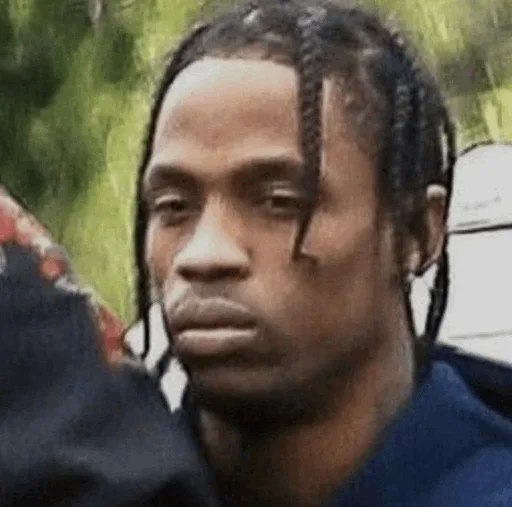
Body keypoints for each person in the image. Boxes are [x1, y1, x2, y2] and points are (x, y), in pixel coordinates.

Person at [1, 1, 511, 506]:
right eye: (174, 207)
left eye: (278, 202)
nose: (204, 255)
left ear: (417, 231)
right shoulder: (90, 479)